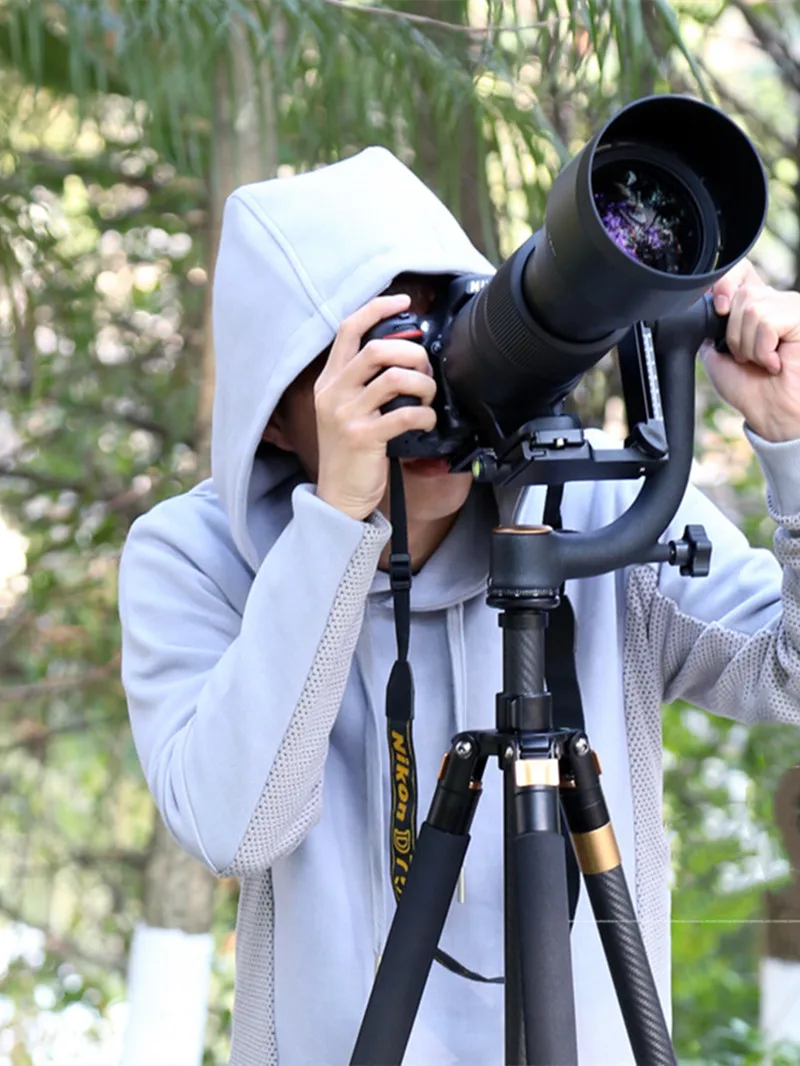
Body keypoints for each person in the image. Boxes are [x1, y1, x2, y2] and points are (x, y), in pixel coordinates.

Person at [118, 145, 800, 1066]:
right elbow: (239, 827)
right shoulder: (195, 558)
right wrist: (336, 526)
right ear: (273, 419)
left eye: (443, 331)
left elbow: (790, 677)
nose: (428, 391)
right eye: (377, 362)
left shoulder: (597, 510)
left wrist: (792, 443)